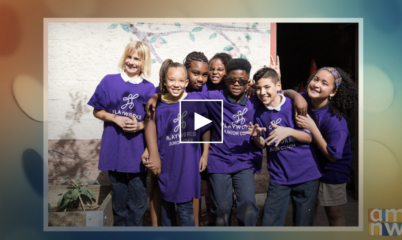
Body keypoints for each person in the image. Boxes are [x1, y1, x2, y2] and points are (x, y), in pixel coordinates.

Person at [87, 41, 155, 226]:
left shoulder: (150, 89)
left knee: (138, 197)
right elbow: (96, 111)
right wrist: (114, 118)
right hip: (114, 148)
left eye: (137, 59)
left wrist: (141, 125)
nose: (132, 62)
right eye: (129, 57)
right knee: (118, 197)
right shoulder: (109, 81)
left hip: (137, 151)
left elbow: (154, 120)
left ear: (144, 62)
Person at [187, 58, 262, 226]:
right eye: (232, 79)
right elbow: (186, 97)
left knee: (248, 205)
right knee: (221, 208)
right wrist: (156, 96)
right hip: (219, 161)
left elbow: (279, 96)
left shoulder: (254, 99)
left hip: (245, 161)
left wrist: (295, 95)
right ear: (226, 79)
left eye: (242, 80)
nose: (236, 83)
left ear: (247, 81)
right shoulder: (215, 97)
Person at [244, 67, 321, 226]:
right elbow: (263, 145)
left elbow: (309, 137)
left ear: (278, 86)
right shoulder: (260, 113)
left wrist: (289, 132)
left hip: (306, 174)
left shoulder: (295, 105)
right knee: (269, 223)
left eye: (267, 87)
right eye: (258, 88)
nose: (262, 92)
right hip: (279, 177)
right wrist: (256, 136)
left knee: (302, 224)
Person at [143, 59, 210, 226]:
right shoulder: (159, 106)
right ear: (164, 82)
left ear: (186, 82)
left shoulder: (195, 102)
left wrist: (205, 154)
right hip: (166, 163)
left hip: (187, 165)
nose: (176, 84)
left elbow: (207, 128)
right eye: (171, 80)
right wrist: (149, 151)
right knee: (166, 207)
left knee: (186, 209)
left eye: (181, 80)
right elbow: (155, 132)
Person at [290, 67, 357, 226]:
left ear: (333, 93)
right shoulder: (305, 98)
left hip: (332, 168)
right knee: (308, 209)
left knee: (333, 213)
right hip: (311, 164)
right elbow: (284, 92)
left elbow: (333, 155)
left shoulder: (335, 121)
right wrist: (296, 96)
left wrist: (313, 128)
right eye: (315, 79)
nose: (316, 84)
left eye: (324, 83)